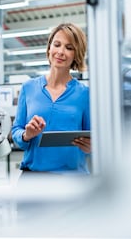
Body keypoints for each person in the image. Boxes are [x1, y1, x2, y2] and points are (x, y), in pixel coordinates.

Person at [11, 23, 91, 175]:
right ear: (49, 49)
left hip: (72, 179)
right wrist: (26, 135)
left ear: (76, 54)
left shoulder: (84, 94)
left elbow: (94, 137)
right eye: (57, 45)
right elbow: (16, 131)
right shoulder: (29, 88)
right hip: (34, 178)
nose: (61, 52)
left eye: (69, 48)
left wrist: (92, 147)